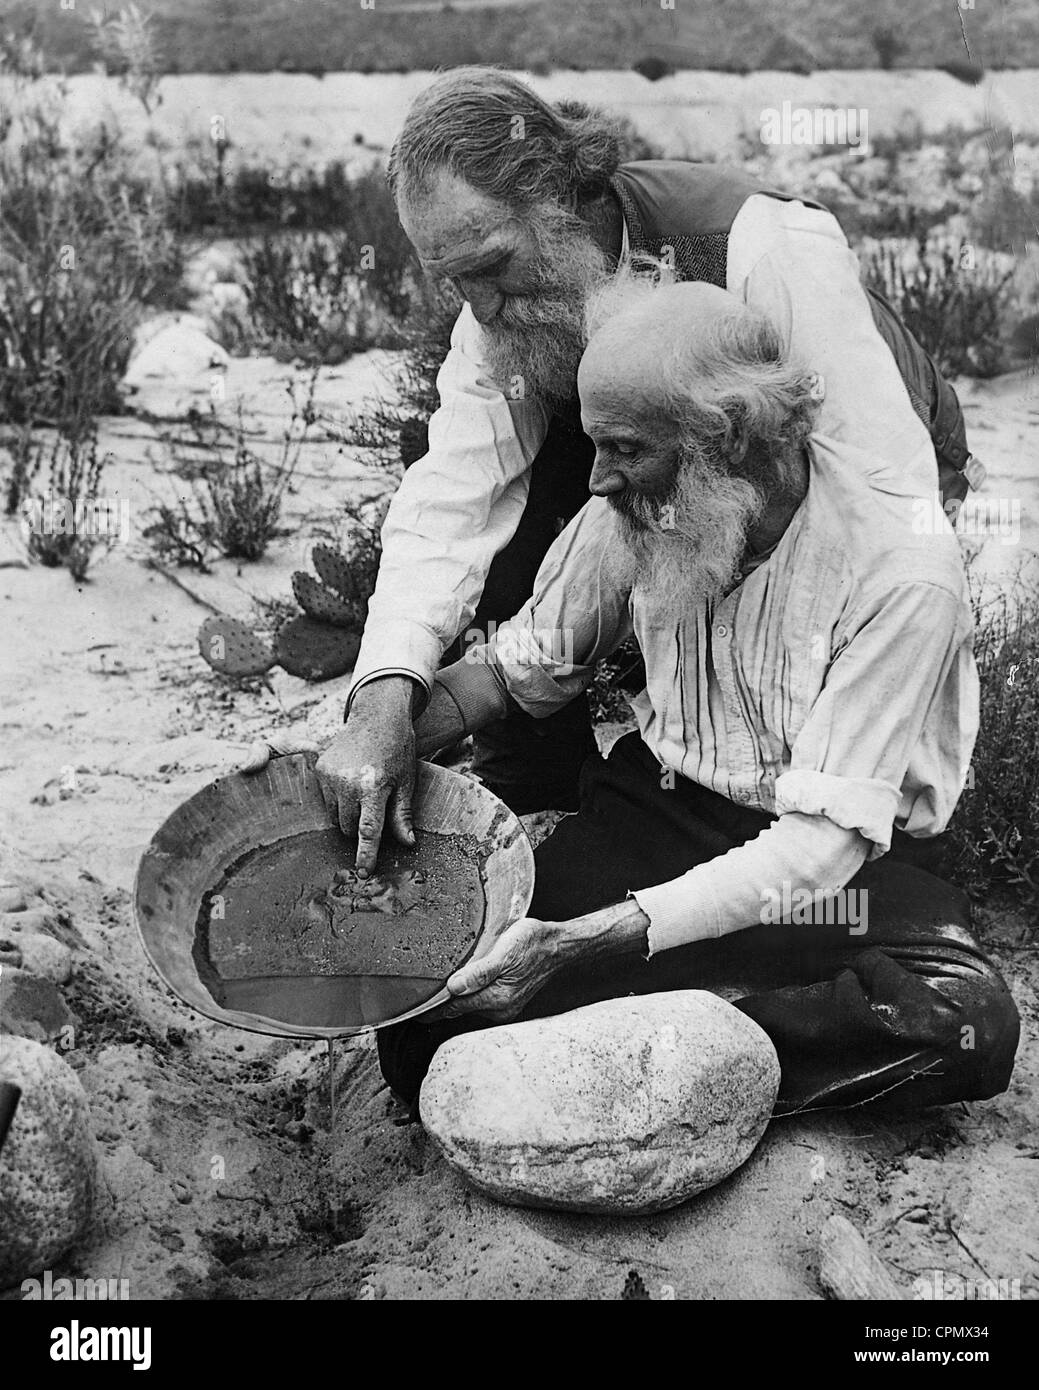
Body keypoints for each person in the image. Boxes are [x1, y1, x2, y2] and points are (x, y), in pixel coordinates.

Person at [373, 277, 1019, 1116]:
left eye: (627, 449)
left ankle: (693, 1041)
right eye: (594, 445)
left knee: (966, 1024)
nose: (598, 479)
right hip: (662, 818)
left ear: (732, 435)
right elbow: (511, 674)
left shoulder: (901, 567)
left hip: (839, 873)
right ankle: (709, 1029)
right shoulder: (634, 511)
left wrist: (580, 946)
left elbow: (818, 850)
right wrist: (377, 728)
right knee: (427, 1022)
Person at [316, 67, 979, 865]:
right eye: (452, 281)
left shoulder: (761, 244)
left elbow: (881, 477)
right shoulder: (500, 310)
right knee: (536, 501)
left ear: (563, 198)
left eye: (490, 268)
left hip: (846, 437)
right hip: (671, 435)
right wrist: (383, 700)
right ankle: (535, 788)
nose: (479, 307)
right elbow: (453, 500)